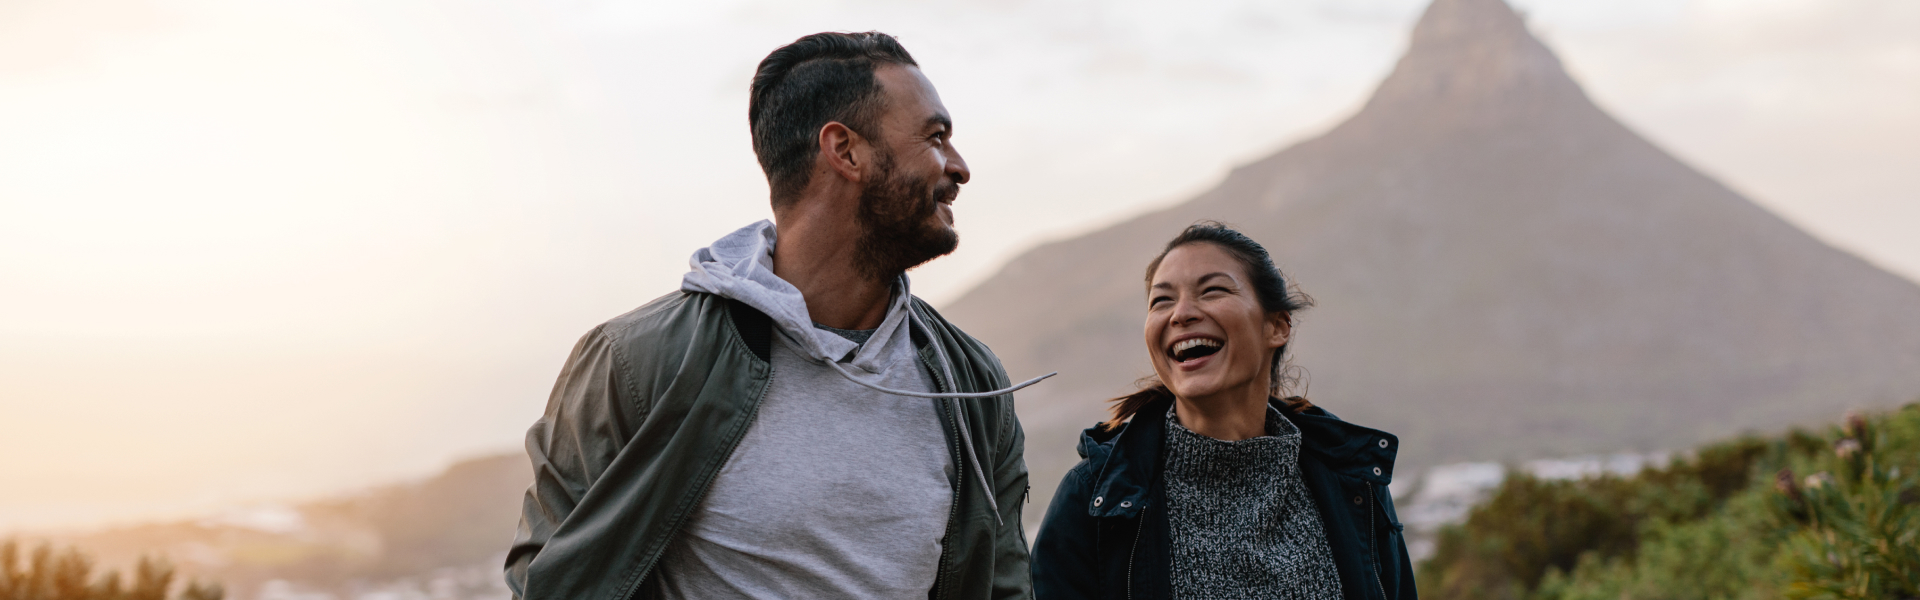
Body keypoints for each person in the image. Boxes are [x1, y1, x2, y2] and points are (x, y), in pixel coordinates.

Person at [505, 31, 1046, 600]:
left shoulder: (971, 384)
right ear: (844, 151)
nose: (958, 167)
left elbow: (1004, 585)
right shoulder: (635, 363)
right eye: (936, 138)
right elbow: (549, 580)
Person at [1030, 222, 1416, 599]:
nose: (1181, 314)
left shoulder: (1355, 482)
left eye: (1212, 291)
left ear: (1277, 327)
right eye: (1162, 300)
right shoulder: (1095, 498)